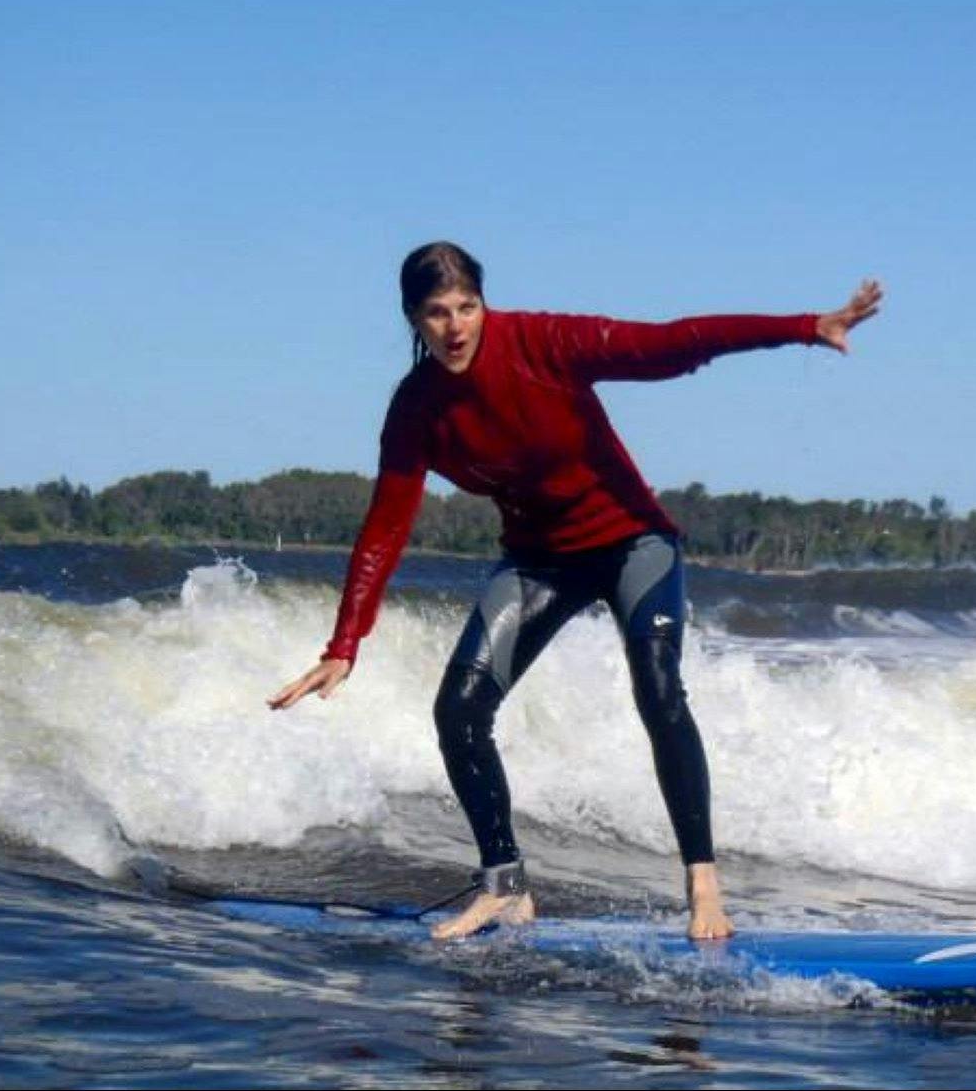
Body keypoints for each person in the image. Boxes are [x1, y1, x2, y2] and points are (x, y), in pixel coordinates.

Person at [269, 241, 883, 942]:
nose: (456, 326)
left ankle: (703, 883)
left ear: (484, 303)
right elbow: (387, 522)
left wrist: (807, 325)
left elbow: (672, 344)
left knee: (657, 687)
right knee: (458, 709)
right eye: (437, 313)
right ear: (413, 317)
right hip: (538, 561)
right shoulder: (417, 408)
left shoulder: (544, 341)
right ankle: (504, 886)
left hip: (632, 541)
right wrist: (345, 643)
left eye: (468, 306)